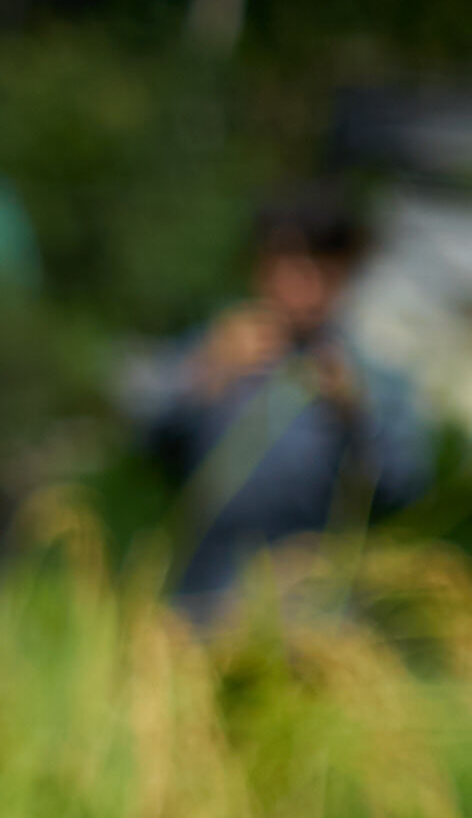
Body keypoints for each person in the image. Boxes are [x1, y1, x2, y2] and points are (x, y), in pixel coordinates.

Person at [137, 189, 433, 619]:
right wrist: (205, 375)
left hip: (313, 607)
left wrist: (355, 415)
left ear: (346, 277)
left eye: (324, 273)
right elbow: (146, 442)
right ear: (260, 267)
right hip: (202, 595)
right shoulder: (217, 346)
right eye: (292, 268)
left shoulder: (369, 376)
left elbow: (406, 488)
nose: (306, 290)